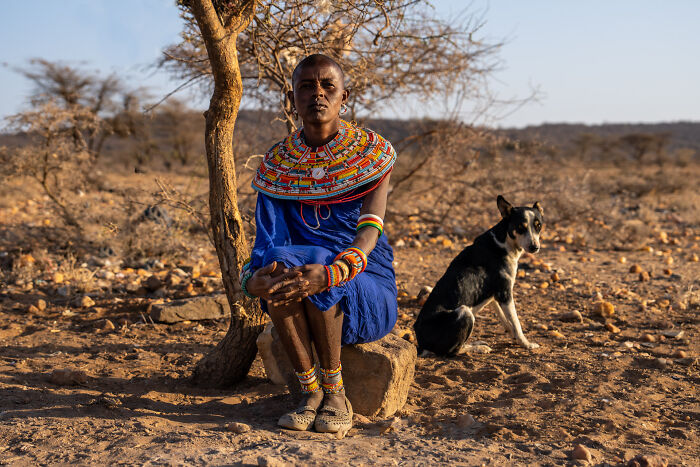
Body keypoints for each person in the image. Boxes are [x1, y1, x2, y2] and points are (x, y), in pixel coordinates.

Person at [241, 54, 398, 433]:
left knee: (310, 259)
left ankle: (337, 392)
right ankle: (311, 393)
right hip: (299, 277)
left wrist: (333, 272)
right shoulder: (278, 165)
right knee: (276, 261)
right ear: (291, 96)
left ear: (345, 96)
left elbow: (369, 232)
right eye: (306, 86)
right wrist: (253, 279)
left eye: (328, 86)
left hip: (363, 283)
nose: (318, 94)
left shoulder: (371, 154)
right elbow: (268, 241)